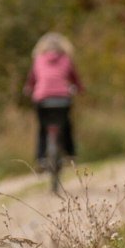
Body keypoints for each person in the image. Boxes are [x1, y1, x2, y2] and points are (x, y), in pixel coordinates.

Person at [23, 32, 83, 169]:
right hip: (62, 98)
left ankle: (41, 158)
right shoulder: (66, 59)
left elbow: (31, 80)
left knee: (43, 128)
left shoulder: (38, 59)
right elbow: (75, 78)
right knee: (66, 125)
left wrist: (28, 89)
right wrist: (79, 88)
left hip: (42, 99)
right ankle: (71, 154)